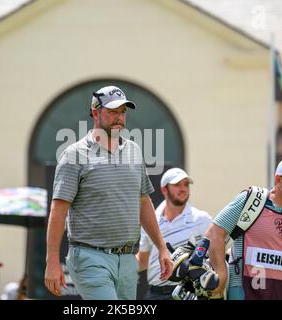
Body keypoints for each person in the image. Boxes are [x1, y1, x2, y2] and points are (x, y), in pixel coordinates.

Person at [44, 85, 173, 300]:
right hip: (89, 257)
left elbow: (143, 201)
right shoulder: (73, 154)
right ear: (95, 112)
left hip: (128, 260)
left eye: (123, 112)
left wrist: (161, 248)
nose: (119, 117)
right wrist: (51, 262)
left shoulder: (134, 150)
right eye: (113, 111)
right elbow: (58, 210)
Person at [206, 156, 282, 300]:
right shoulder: (252, 199)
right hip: (244, 290)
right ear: (278, 179)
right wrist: (221, 274)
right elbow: (215, 233)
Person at [137, 168, 212, 299]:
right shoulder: (151, 220)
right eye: (177, 185)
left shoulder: (202, 219)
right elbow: (143, 260)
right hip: (154, 294)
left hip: (187, 294)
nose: (183, 189)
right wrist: (115, 266)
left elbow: (215, 256)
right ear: (164, 190)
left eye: (186, 184)